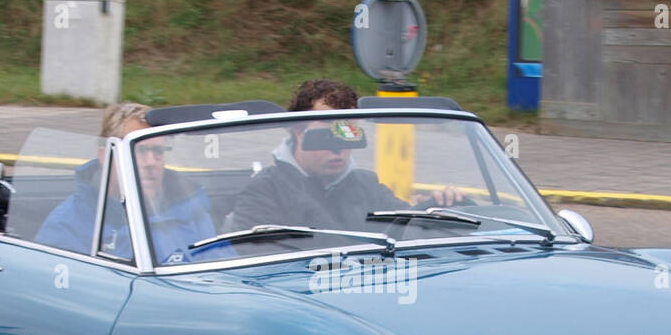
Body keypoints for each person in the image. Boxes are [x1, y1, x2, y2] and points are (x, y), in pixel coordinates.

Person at [227, 79, 462, 232]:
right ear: (299, 131)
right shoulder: (264, 190)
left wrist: (439, 208)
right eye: (327, 130)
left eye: (348, 130)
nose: (338, 147)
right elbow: (264, 265)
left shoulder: (367, 184)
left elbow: (406, 228)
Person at [36, 103, 221, 264]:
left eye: (158, 151)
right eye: (139, 151)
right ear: (106, 156)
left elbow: (220, 272)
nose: (151, 162)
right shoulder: (66, 225)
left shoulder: (191, 208)